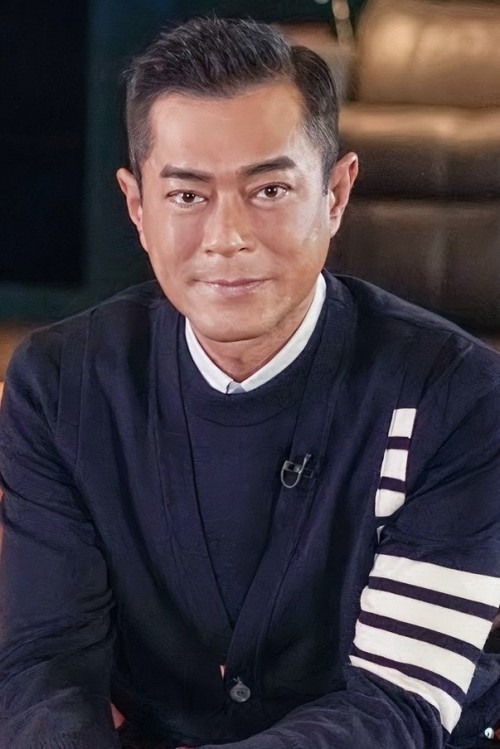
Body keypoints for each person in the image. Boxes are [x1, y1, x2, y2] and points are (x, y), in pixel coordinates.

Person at [0, 16, 500, 749]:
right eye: (187, 196)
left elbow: (395, 706)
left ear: (336, 193)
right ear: (137, 207)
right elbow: (45, 668)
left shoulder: (461, 398)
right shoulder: (59, 386)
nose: (227, 237)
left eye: (269, 190)